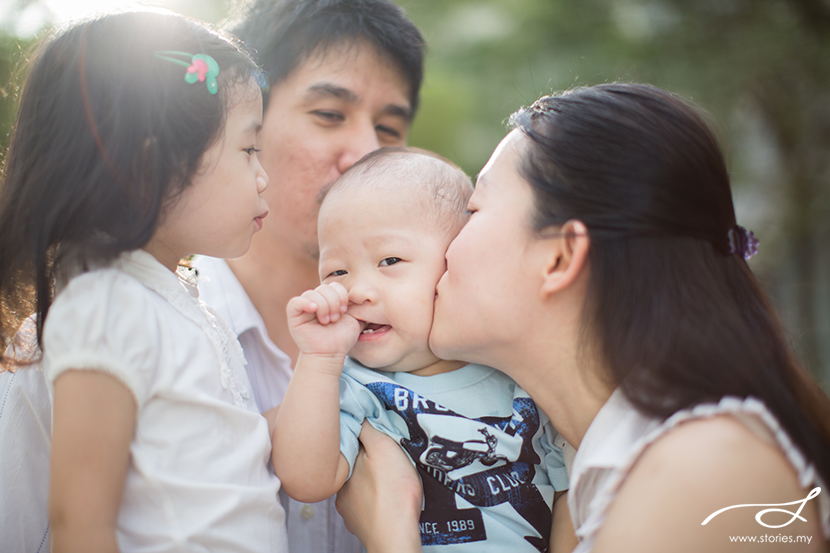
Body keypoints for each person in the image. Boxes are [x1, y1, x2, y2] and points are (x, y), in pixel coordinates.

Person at [333, 83, 830, 552]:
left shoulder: (703, 470)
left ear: (560, 257)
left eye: (472, 210)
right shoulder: (605, 466)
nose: (445, 248)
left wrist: (392, 536)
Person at [0, 11, 288, 552]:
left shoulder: (173, 298)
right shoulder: (105, 303)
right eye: (249, 149)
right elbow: (79, 525)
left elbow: (211, 448)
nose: (263, 174)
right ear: (153, 167)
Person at [192, 1, 425, 551]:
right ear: (243, 123)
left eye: (389, 127)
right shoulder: (125, 324)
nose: (368, 152)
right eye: (329, 114)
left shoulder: (435, 340)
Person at [273, 147, 573, 552]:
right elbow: (306, 481)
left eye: (389, 260)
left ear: (456, 263)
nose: (357, 290)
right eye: (337, 272)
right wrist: (319, 359)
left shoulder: (517, 373)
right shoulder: (356, 384)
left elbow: (568, 492)